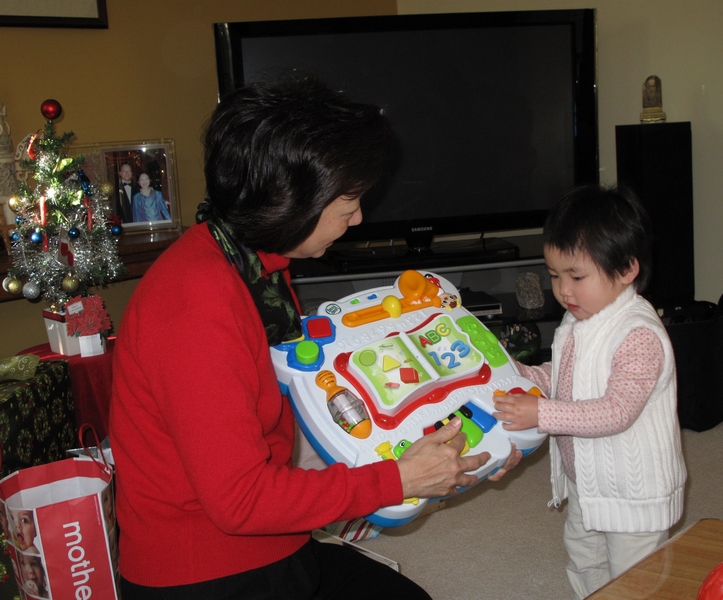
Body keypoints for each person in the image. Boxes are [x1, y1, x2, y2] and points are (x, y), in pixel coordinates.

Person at [109, 73, 515, 599]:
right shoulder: (196, 305)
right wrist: (397, 480)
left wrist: (468, 445)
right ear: (288, 203)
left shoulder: (255, 262)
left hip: (269, 540)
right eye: (347, 205)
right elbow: (240, 501)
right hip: (207, 569)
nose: (359, 217)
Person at [492, 185, 686, 600]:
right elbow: (565, 374)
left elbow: (617, 411)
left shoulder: (638, 335)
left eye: (577, 277)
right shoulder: (579, 316)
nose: (564, 290)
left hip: (634, 493)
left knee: (635, 578)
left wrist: (542, 413)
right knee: (584, 555)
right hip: (587, 479)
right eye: (554, 275)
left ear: (627, 269)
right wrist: (521, 375)